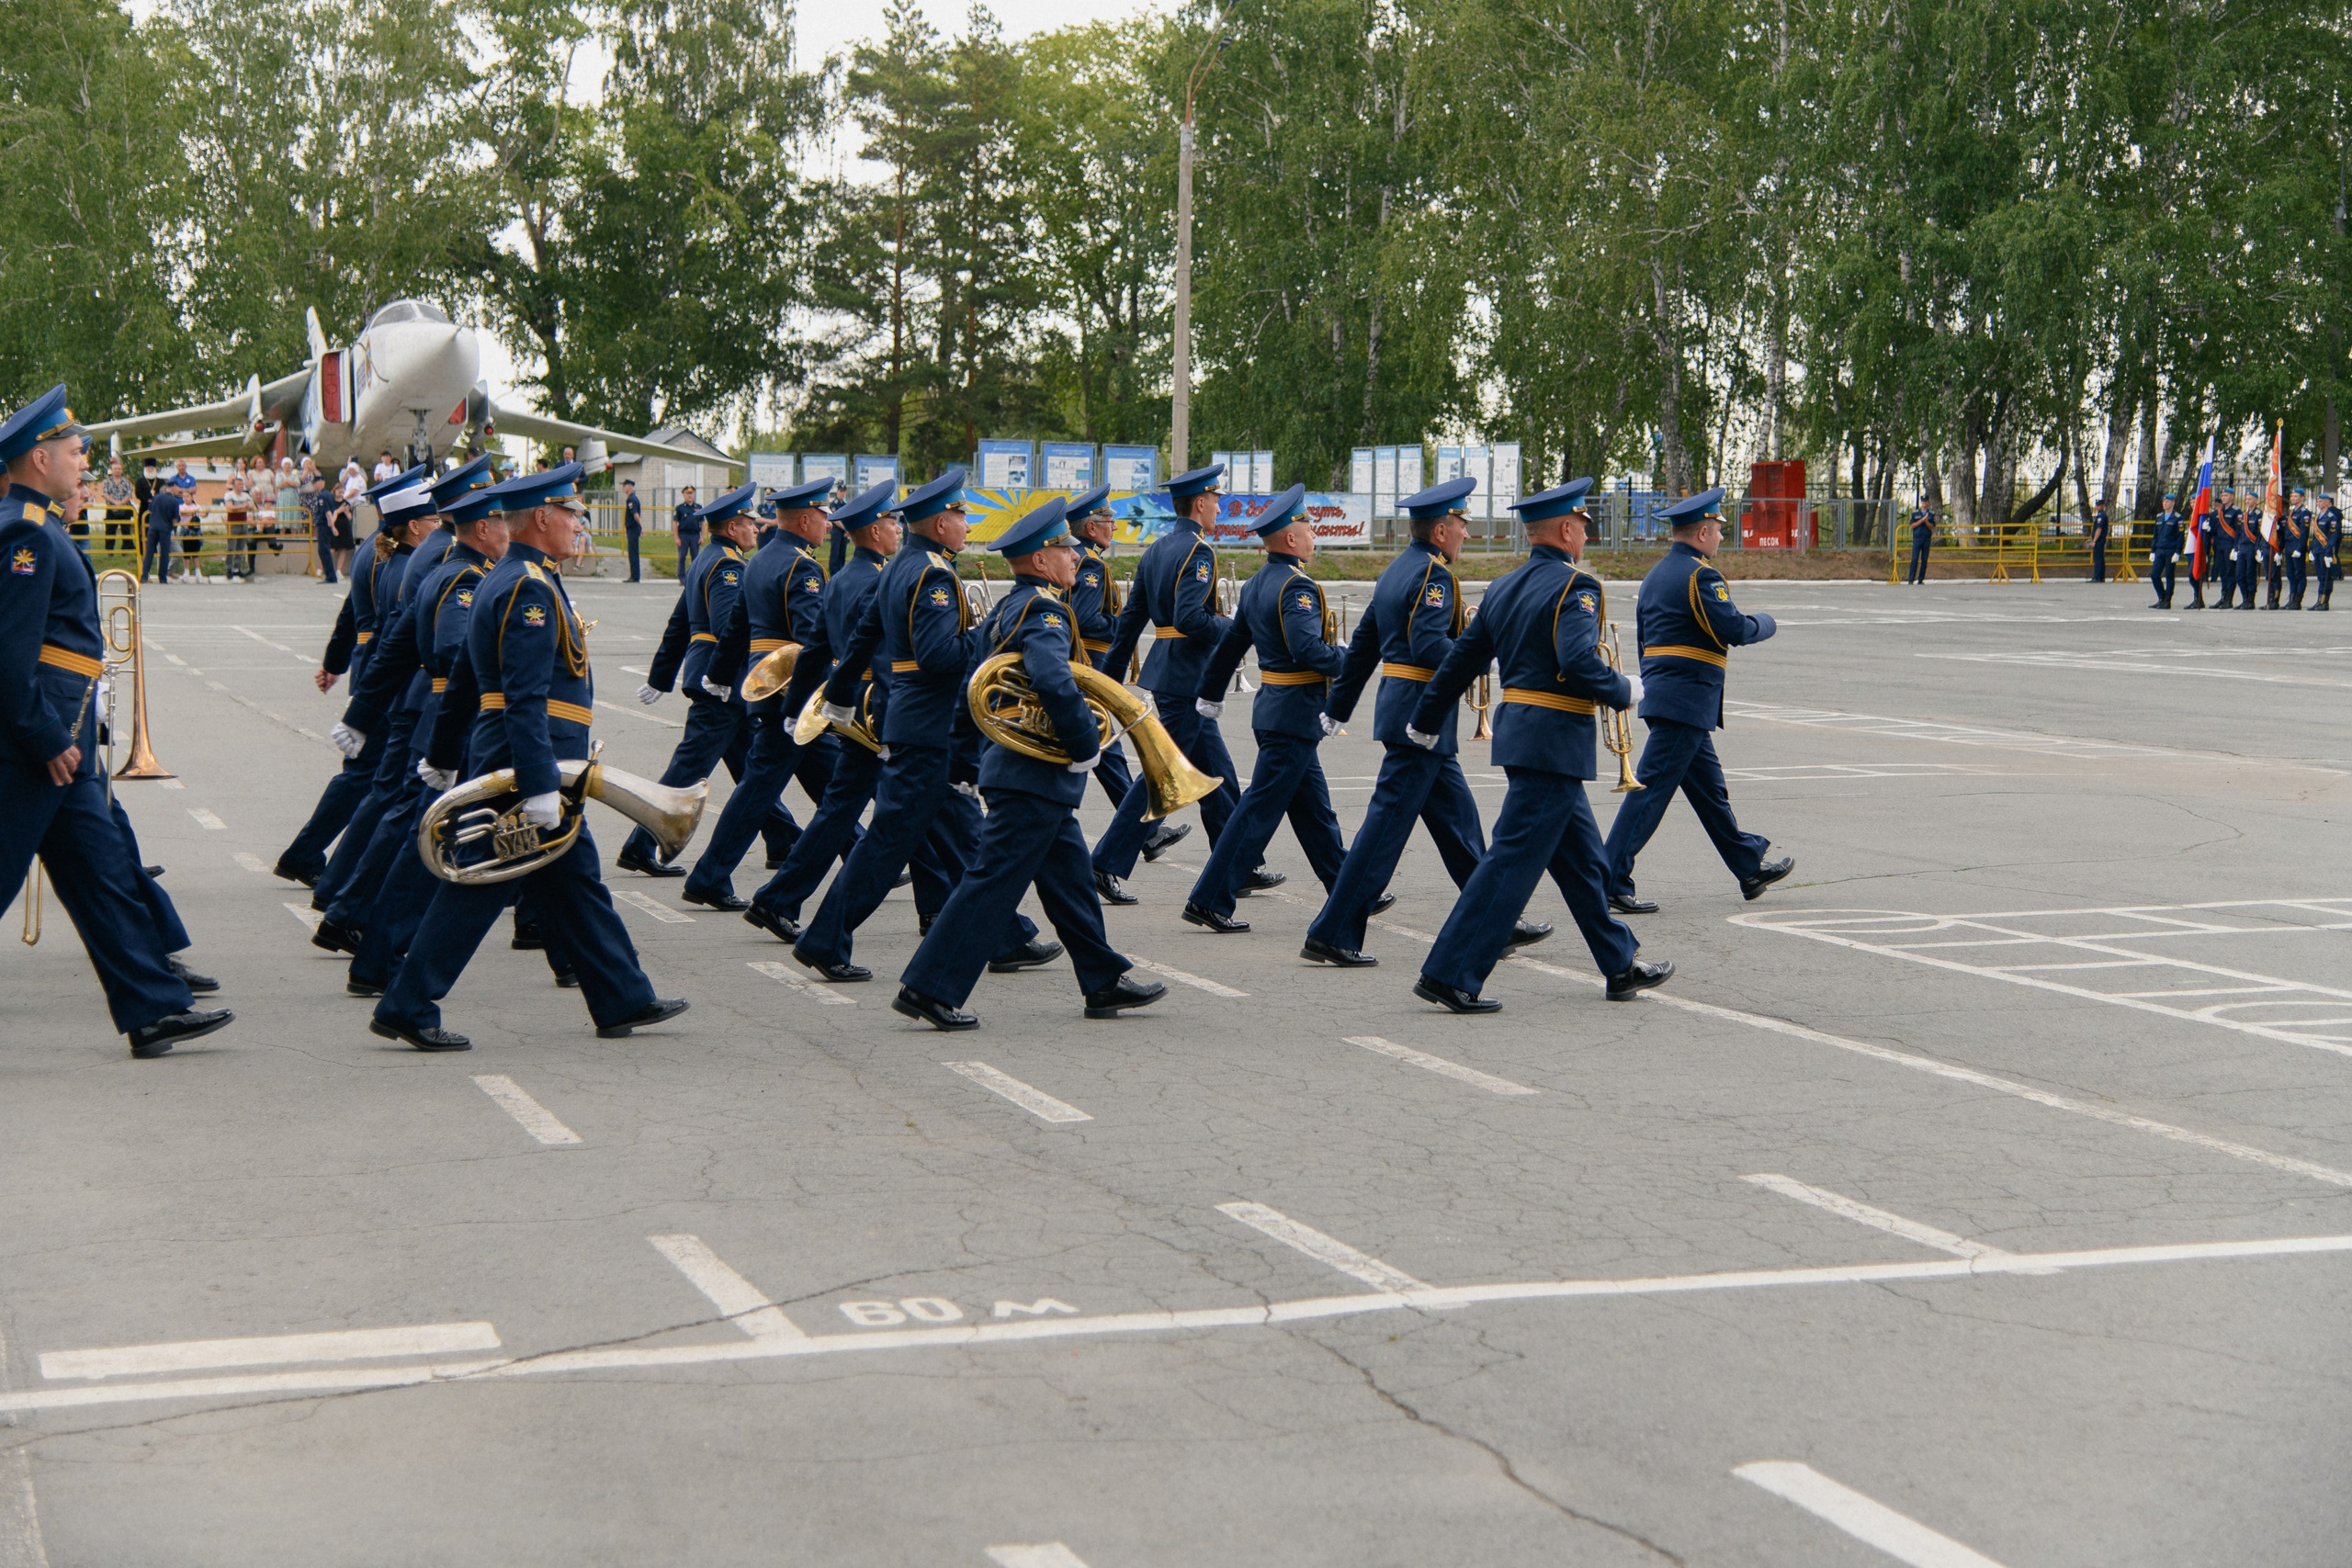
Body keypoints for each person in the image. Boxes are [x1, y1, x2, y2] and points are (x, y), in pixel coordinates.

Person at [370, 462, 687, 1052]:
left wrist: (442, 752)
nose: (579, 526)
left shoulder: (510, 575)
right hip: (530, 764)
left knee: (577, 883)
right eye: (573, 514)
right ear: (543, 517)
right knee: (481, 884)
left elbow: (466, 675)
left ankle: (622, 996)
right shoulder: (528, 587)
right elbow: (523, 695)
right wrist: (540, 783)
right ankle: (406, 1003)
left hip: (532, 761)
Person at [0, 385, 232, 1057]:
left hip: (61, 737)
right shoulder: (25, 530)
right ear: (39, 459)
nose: (84, 463)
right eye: (75, 451)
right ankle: (152, 1002)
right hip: (35, 741)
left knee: (100, 869)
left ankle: (152, 1007)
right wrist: (45, 736)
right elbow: (10, 656)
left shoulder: (35, 521)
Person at [892, 498, 1166, 1031]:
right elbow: (1051, 678)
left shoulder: (1005, 608)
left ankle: (1102, 978)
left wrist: (965, 762)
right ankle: (928, 986)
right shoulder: (1043, 609)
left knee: (1070, 883)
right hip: (1032, 775)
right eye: (1065, 549)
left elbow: (971, 694)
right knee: (991, 883)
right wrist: (1086, 742)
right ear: (1041, 560)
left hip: (1021, 773)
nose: (1074, 558)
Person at [1404, 477, 1669, 1013]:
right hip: (1553, 742)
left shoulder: (1503, 586)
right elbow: (1576, 660)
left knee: (1584, 862)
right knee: (1510, 860)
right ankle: (1450, 973)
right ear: (1567, 529)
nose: (1586, 539)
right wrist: (1625, 689)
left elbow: (1462, 661)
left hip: (1527, 737)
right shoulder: (1578, 587)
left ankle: (1619, 964)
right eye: (1584, 529)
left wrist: (1426, 717)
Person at [792, 468, 1056, 982]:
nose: (965, 522)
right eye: (959, 514)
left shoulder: (898, 567)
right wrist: (989, 636)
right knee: (890, 844)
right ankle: (824, 939)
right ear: (939, 524)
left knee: (965, 835)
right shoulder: (934, 574)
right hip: (929, 726)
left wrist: (841, 698)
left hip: (911, 722)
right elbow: (939, 657)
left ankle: (1004, 935)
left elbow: (863, 639)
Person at [1308, 476, 1550, 965]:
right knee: (1383, 835)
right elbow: (1428, 646)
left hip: (1411, 714)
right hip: (1420, 716)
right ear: (1440, 531)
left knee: (1460, 829)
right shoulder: (1434, 576)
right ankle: (1333, 932)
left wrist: (1338, 708)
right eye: (1460, 524)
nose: (1466, 533)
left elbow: (1364, 648)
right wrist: (1488, 652)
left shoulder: (1397, 570)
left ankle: (1492, 922)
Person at [1599, 488, 1792, 914]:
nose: (1721, 538)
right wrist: (1767, 623)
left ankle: (1747, 865)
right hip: (1686, 701)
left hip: (1669, 698)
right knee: (1649, 794)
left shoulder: (1655, 576)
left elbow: (1648, 641)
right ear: (1702, 531)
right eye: (1719, 530)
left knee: (1710, 792)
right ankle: (1610, 877)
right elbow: (1733, 629)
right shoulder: (1699, 575)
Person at [1178, 484, 1349, 932]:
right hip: (1292, 714)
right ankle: (1210, 898)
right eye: (1308, 526)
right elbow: (1308, 650)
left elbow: (1230, 646)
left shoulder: (1256, 584)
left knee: (1315, 811)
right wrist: (1348, 656)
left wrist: (1210, 694)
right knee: (1256, 813)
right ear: (1290, 538)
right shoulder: (1297, 587)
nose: (1313, 533)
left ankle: (1349, 889)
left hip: (1279, 712)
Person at [740, 481, 903, 942]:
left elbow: (816, 649)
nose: (897, 529)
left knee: (846, 812)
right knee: (913, 813)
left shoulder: (843, 577)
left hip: (854, 709)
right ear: (874, 531)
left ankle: (778, 899)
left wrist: (796, 708)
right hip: (878, 710)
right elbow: (866, 655)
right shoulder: (873, 580)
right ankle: (808, 921)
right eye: (892, 522)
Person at [680, 476, 845, 909]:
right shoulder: (802, 566)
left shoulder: (760, 560)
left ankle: (864, 851)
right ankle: (710, 877)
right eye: (824, 517)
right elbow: (812, 640)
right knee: (767, 789)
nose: (828, 526)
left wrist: (717, 675)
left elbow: (736, 627)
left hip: (765, 687)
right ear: (807, 518)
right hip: (793, 692)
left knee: (827, 785)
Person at [1092, 464, 1254, 903]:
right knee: (1160, 776)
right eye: (1216, 499)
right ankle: (1104, 863)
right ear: (1200, 503)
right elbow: (1190, 619)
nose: (1219, 507)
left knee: (1218, 775)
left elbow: (1130, 621)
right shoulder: (1198, 551)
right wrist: (1233, 625)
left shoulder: (1157, 548)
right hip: (1187, 678)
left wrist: (1108, 681)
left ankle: (1239, 864)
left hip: (1174, 677)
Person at [616, 484, 793, 877]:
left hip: (717, 682)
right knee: (687, 772)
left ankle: (783, 839)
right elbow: (730, 627)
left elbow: (678, 626)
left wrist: (661, 677)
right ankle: (640, 844)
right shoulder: (729, 567)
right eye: (748, 522)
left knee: (754, 772)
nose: (754, 529)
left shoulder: (705, 560)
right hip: (723, 685)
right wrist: (730, 679)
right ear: (732, 527)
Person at [141, 477, 182, 585]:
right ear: (173, 487)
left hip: (153, 528)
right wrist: (172, 526)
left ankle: (144, 575)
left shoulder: (156, 497)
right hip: (165, 529)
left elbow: (150, 510)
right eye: (177, 487)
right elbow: (175, 519)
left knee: (149, 552)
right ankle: (162, 577)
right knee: (164, 553)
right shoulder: (174, 501)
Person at [221, 470, 254, 581]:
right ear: (234, 485)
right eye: (240, 484)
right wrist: (243, 506)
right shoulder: (229, 495)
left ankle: (237, 568)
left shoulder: (246, 495)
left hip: (243, 523)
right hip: (233, 523)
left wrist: (246, 506)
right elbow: (230, 507)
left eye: (242, 484)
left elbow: (252, 506)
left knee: (240, 546)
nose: (242, 486)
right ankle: (229, 568)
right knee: (231, 547)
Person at [100, 457, 135, 556]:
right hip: (111, 509)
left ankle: (126, 551)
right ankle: (109, 552)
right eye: (115, 469)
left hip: (125, 509)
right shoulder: (107, 481)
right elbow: (105, 494)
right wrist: (115, 503)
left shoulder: (126, 481)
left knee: (126, 531)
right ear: (112, 470)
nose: (117, 470)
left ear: (122, 470)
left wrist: (120, 504)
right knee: (110, 531)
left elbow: (129, 494)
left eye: (119, 469)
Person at [2285, 487, 2312, 608]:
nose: (2293, 498)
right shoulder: (2291, 513)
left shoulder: (2304, 513)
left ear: (2302, 498)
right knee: (2290, 574)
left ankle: (2297, 600)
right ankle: (2291, 598)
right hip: (2289, 546)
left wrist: (2300, 549)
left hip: (2297, 547)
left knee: (2299, 574)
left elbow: (2304, 533)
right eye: (2292, 496)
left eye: (2296, 496)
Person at [2313, 491, 2341, 611]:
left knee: (2326, 577)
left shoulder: (2331, 517)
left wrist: (2329, 553)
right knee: (2320, 576)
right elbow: (2315, 535)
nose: (2318, 503)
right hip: (2317, 550)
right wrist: (2312, 549)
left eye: (2320, 501)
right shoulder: (2317, 517)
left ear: (2326, 502)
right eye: (2317, 501)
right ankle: (2319, 600)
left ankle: (2324, 601)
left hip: (2325, 551)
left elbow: (2332, 536)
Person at [673, 484, 701, 576]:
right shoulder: (680, 508)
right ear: (684, 495)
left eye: (691, 493)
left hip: (695, 535)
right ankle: (682, 577)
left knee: (696, 558)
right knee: (682, 557)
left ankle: (694, 577)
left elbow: (703, 523)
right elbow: (675, 523)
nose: (690, 495)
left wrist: (703, 536)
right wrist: (677, 537)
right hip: (683, 535)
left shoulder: (698, 507)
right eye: (687, 493)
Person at [1904, 504, 1934, 584]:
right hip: (1917, 539)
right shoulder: (1915, 514)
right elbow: (1912, 525)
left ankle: (1920, 580)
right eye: (1923, 501)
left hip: (1926, 539)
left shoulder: (1931, 514)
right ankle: (1911, 579)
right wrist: (1921, 520)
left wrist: (1926, 521)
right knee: (1914, 559)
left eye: (1926, 501)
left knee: (1924, 560)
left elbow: (1931, 527)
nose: (1924, 503)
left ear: (1928, 502)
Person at [622, 478, 643, 581]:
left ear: (629, 486)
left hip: (633, 529)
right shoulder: (632, 498)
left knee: (633, 553)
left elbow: (635, 515)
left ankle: (635, 576)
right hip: (632, 529)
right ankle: (634, 575)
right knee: (633, 552)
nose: (623, 487)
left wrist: (641, 527)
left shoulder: (632, 499)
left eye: (624, 485)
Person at [2087, 495, 2110, 582]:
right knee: (2100, 558)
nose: (2096, 507)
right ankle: (2100, 577)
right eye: (2096, 505)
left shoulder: (2101, 516)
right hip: (2100, 540)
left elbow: (2099, 529)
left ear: (2102, 506)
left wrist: (2094, 541)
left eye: (2098, 505)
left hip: (2099, 540)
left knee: (2098, 559)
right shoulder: (2100, 515)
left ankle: (2097, 577)